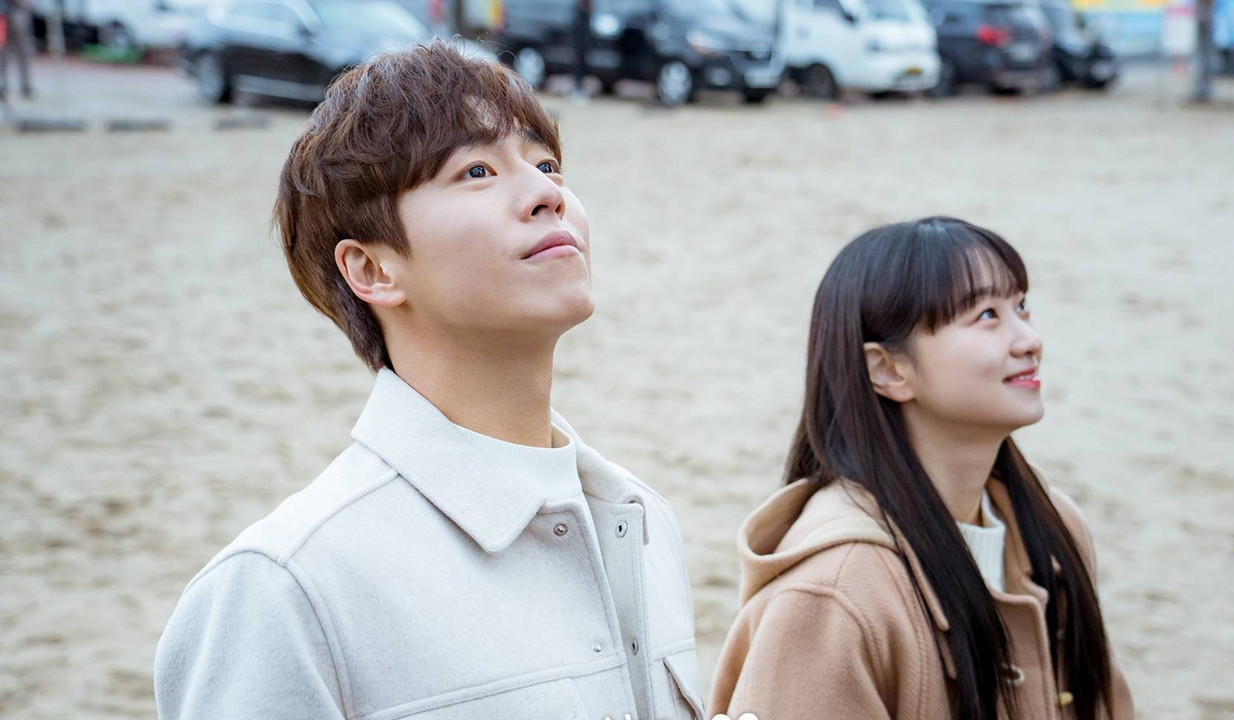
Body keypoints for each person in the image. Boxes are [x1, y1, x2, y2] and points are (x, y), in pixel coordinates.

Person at [154, 41, 703, 720]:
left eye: (546, 164)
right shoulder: (287, 587)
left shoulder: (643, 522)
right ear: (372, 270)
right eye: (477, 171)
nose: (547, 194)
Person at [710, 217, 1133, 719]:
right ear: (888, 369)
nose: (1029, 340)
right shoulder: (834, 592)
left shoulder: (1054, 529)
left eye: (1021, 306)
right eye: (987, 315)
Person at [0, 0, 35, 101]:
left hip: (18, 13)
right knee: (2, 51)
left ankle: (25, 85)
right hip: (4, 14)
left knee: (22, 51)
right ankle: (3, 84)